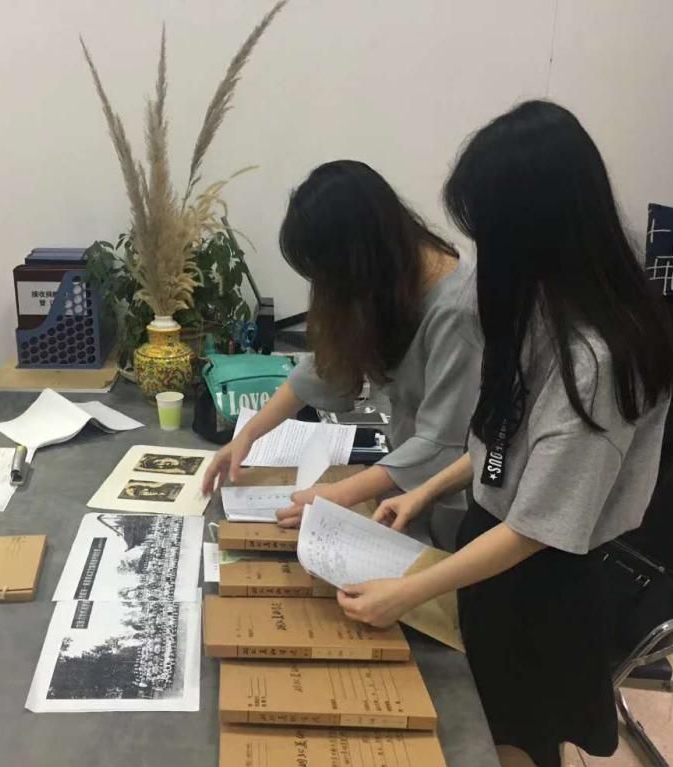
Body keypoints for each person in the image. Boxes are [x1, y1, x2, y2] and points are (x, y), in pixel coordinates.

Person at [338, 102, 673, 767]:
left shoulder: (597, 359)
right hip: (497, 558)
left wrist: (409, 590)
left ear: (537, 231)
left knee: (524, 764)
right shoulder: (542, 310)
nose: (482, 255)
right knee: (506, 750)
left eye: (491, 233)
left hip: (544, 585)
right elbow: (502, 443)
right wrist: (424, 491)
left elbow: (538, 527)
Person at [201, 160, 481, 550]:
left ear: (356, 258)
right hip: (404, 477)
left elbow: (442, 443)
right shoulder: (394, 274)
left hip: (453, 497)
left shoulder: (457, 308)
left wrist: (339, 495)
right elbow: (327, 366)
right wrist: (247, 434)